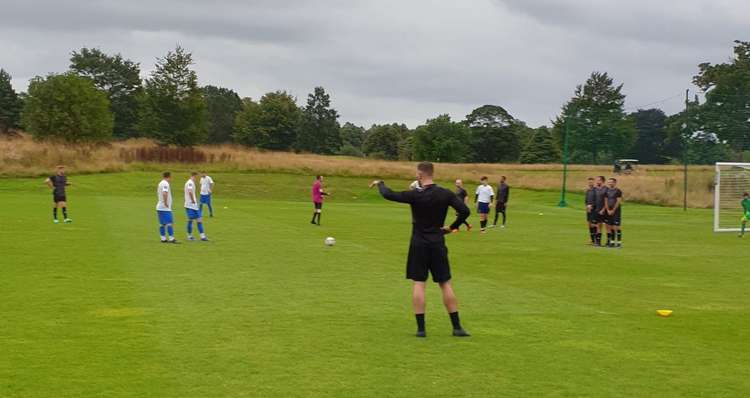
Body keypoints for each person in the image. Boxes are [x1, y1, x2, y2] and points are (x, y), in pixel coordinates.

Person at [369, 162, 471, 338]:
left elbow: (389, 195)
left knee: (418, 283)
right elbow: (464, 211)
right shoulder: (445, 193)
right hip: (438, 242)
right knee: (445, 283)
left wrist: (380, 183)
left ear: (419, 175)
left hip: (418, 244)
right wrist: (451, 227)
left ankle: (421, 329)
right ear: (432, 173)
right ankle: (457, 327)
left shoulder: (414, 195)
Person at [184, 172, 208, 241]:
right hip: (190, 205)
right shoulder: (190, 183)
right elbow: (190, 191)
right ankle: (189, 236)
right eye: (196, 177)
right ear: (193, 176)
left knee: (199, 220)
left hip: (194, 206)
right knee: (190, 220)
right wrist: (192, 200)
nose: (197, 179)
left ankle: (202, 236)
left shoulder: (191, 182)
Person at [156, 172, 177, 243]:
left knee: (162, 224)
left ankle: (163, 238)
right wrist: (165, 203)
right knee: (169, 223)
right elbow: (164, 193)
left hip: (159, 207)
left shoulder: (160, 183)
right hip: (165, 207)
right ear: (169, 176)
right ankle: (171, 238)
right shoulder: (165, 183)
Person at [604, 178, 623, 247]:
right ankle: (612, 242)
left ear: (615, 183)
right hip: (608, 211)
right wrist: (608, 210)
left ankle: (619, 242)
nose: (610, 183)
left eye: (611, 182)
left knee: (616, 227)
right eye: (609, 182)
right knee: (610, 226)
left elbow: (618, 201)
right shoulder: (607, 191)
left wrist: (613, 210)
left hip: (616, 211)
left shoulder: (618, 191)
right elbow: (605, 201)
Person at [593, 176, 608, 246]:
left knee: (607, 226)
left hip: (605, 211)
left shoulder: (606, 189)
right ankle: (598, 242)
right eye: (596, 180)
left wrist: (603, 209)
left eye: (598, 180)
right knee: (598, 226)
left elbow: (607, 201)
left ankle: (609, 242)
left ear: (602, 181)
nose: (597, 181)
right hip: (597, 210)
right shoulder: (595, 189)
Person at [584, 177, 597, 245]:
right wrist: (586, 206)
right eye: (589, 182)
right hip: (588, 210)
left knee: (593, 224)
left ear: (594, 182)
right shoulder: (587, 191)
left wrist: (591, 206)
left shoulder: (596, 190)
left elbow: (597, 200)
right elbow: (586, 200)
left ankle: (596, 240)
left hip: (594, 210)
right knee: (589, 225)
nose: (590, 183)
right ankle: (592, 240)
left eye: (591, 182)